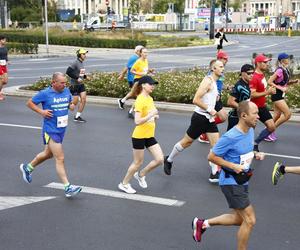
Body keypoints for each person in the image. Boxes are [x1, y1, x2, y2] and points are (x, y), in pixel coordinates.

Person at [192, 101, 259, 250]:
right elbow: (212, 156)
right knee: (249, 220)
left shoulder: (250, 130)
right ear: (243, 115)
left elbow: (243, 151)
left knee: (238, 219)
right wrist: (233, 166)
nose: (258, 116)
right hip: (231, 182)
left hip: (242, 180)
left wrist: (255, 154)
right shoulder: (230, 136)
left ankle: (202, 224)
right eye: (255, 113)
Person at [19, 72, 82, 198]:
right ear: (54, 83)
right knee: (60, 158)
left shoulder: (66, 91)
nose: (65, 85)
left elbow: (70, 104)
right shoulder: (45, 93)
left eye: (65, 83)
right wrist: (41, 111)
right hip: (51, 129)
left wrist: (71, 105)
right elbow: (29, 103)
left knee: (48, 154)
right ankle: (67, 187)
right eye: (62, 83)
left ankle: (28, 167)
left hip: (61, 129)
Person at [163, 60, 224, 183]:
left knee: (216, 145)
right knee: (187, 142)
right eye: (220, 67)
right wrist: (209, 109)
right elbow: (196, 99)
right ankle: (168, 159)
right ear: (213, 69)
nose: (223, 68)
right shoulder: (207, 81)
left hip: (209, 119)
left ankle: (214, 173)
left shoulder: (215, 82)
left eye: (223, 66)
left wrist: (215, 101)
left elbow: (209, 98)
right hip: (200, 118)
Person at [118, 76, 163, 194]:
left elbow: (151, 113)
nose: (153, 86)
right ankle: (124, 184)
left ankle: (141, 174)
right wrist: (150, 115)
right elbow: (137, 121)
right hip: (139, 136)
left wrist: (154, 116)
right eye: (150, 84)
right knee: (137, 162)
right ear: (143, 85)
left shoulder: (150, 98)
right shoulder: (140, 100)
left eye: (154, 84)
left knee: (159, 159)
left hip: (149, 135)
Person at [265, 53, 299, 142]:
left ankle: (266, 132)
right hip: (277, 95)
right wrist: (281, 88)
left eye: (288, 58)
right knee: (288, 114)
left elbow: (283, 82)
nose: (288, 59)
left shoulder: (285, 69)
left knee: (277, 115)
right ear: (282, 60)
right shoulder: (279, 70)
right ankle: (269, 131)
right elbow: (269, 81)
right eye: (286, 58)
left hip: (280, 94)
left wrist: (293, 82)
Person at [199, 50, 229, 143]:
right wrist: (215, 94)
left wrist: (226, 87)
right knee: (223, 117)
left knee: (222, 117)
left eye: (227, 59)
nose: (226, 60)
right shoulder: (212, 72)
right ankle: (204, 132)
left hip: (217, 97)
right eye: (224, 59)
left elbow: (218, 83)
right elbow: (209, 83)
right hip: (214, 98)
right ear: (219, 58)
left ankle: (204, 132)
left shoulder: (220, 71)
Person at [250, 54, 276, 153]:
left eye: (267, 62)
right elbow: (252, 94)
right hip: (253, 108)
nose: (267, 64)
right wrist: (267, 92)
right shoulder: (254, 77)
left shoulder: (261, 74)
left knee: (271, 127)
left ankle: (255, 143)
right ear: (258, 63)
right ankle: (247, 148)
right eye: (265, 62)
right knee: (249, 131)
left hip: (261, 107)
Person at [227, 64, 254, 131]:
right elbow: (230, 102)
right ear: (243, 73)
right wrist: (244, 109)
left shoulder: (247, 84)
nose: (251, 75)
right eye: (249, 73)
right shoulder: (239, 85)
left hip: (242, 117)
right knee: (231, 140)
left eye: (253, 73)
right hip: (235, 117)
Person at [66, 48, 89, 122]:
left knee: (83, 100)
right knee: (74, 103)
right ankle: (62, 108)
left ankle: (77, 116)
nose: (85, 56)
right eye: (84, 54)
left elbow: (80, 73)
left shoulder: (82, 62)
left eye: (85, 54)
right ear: (79, 55)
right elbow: (68, 72)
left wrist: (85, 77)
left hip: (81, 85)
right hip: (74, 85)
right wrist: (77, 78)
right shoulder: (75, 62)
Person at [117, 45, 144, 109]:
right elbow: (127, 67)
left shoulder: (139, 58)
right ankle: (136, 106)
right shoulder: (134, 58)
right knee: (137, 92)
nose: (143, 53)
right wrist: (122, 75)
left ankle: (122, 101)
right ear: (137, 51)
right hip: (132, 78)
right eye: (141, 51)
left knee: (136, 93)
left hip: (138, 78)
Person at [0, 35, 9, 101]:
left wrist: (7, 61)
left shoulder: (5, 48)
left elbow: (6, 56)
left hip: (4, 65)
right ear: (0, 40)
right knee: (2, 79)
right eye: (4, 40)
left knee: (5, 81)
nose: (5, 41)